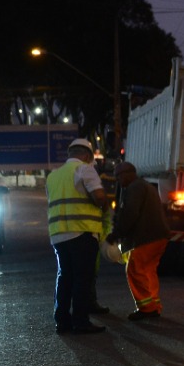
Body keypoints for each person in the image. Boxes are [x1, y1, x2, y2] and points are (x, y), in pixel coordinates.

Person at [45, 138, 108, 334]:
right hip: (82, 232)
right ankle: (81, 321)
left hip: (58, 235)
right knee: (83, 278)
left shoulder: (53, 176)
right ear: (88, 156)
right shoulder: (85, 169)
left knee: (65, 277)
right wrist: (104, 205)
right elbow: (99, 197)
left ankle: (62, 321)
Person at [106, 162, 170, 321]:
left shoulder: (135, 188)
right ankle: (154, 305)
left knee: (134, 270)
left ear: (128, 173)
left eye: (118, 176)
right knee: (148, 271)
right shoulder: (144, 186)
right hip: (158, 237)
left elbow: (130, 214)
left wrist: (116, 234)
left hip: (146, 238)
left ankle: (147, 309)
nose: (117, 180)